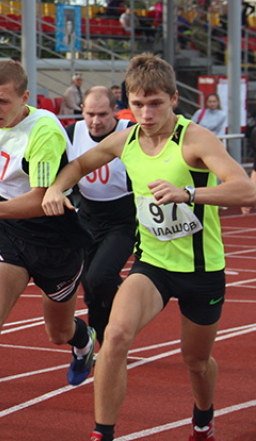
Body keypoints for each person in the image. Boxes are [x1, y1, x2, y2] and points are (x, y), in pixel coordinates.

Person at [42, 53, 256, 441]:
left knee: (195, 360)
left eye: (155, 103)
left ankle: (203, 417)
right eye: (137, 104)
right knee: (115, 338)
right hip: (152, 265)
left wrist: (187, 193)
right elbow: (79, 165)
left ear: (173, 99)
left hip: (201, 270)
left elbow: (245, 188)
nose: (146, 112)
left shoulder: (194, 139)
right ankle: (102, 433)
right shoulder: (125, 139)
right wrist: (57, 187)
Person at [0, 59, 96, 441]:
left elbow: (38, 199)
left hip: (55, 237)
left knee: (58, 332)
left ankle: (82, 341)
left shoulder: (44, 130)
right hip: (10, 235)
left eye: (2, 101)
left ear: (25, 98)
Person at [65, 86, 136, 345]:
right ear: (81, 111)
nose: (95, 121)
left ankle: (131, 301)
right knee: (91, 290)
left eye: (103, 114)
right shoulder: (72, 133)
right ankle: (105, 345)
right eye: (90, 113)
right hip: (89, 217)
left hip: (123, 219)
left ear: (115, 111)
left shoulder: (130, 132)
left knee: (100, 277)